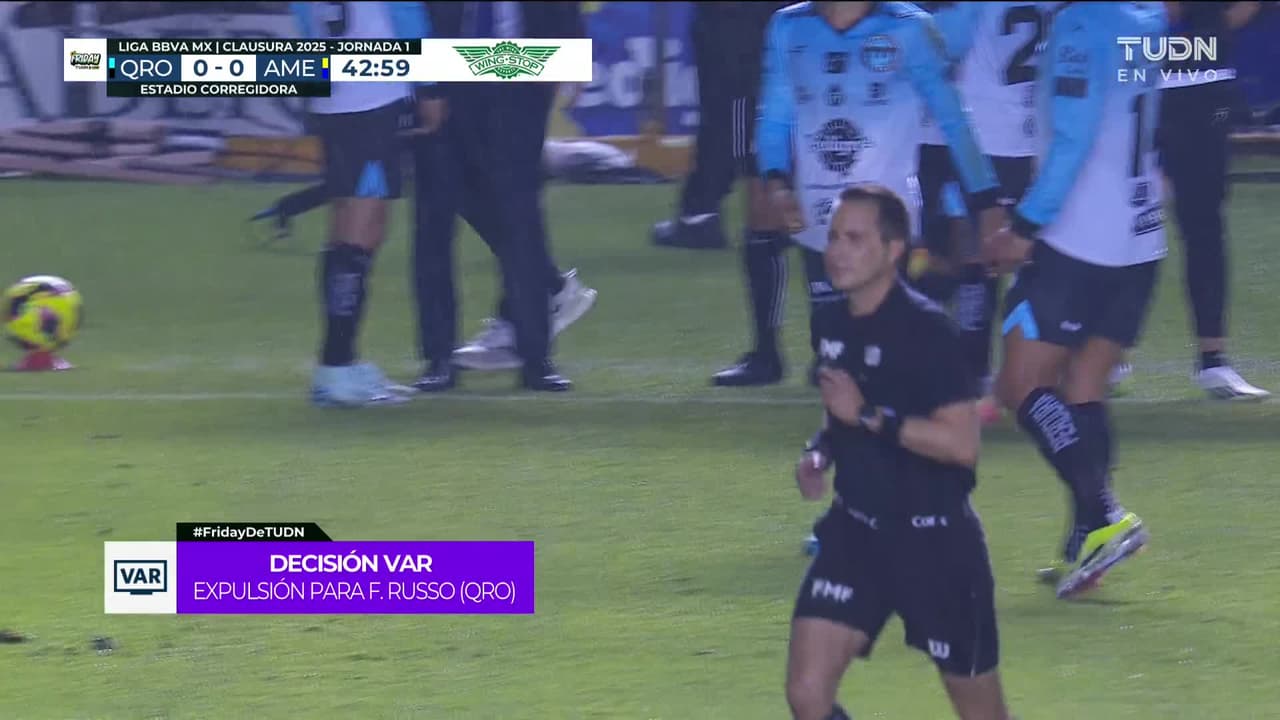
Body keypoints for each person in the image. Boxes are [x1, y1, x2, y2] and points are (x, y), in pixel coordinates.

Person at [788, 185, 1010, 720]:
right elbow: (839, 412)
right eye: (833, 237)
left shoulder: (928, 332)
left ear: (892, 251)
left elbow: (961, 445)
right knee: (807, 693)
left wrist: (869, 416)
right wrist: (821, 451)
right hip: (856, 532)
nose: (836, 251)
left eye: (855, 239)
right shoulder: (830, 322)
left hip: (936, 544)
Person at [983, 0, 1165, 598]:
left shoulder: (1080, 28)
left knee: (1020, 386)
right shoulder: (1148, 21)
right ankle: (1089, 541)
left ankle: (1106, 513)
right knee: (1084, 388)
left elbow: (1073, 140)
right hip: (1141, 238)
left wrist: (1025, 227)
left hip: (1079, 240)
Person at [752, 1, 1007, 399]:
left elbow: (954, 121)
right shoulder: (788, 26)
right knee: (833, 351)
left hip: (887, 219)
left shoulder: (911, 28)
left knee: (882, 348)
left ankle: (920, 405)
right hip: (817, 219)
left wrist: (986, 199)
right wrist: (777, 182)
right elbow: (774, 115)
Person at [413, 1, 588, 392]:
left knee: (521, 216)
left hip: (519, 70)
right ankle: (438, 358)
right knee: (434, 219)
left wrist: (574, 50)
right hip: (442, 68)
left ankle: (536, 358)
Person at [291, 1, 439, 407]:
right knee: (362, 228)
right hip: (374, 94)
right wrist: (429, 87)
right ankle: (336, 365)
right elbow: (406, 13)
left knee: (346, 223)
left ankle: (341, 362)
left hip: (334, 92)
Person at [915, 2, 1053, 425]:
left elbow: (944, 42)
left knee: (956, 253)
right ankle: (979, 369)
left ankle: (959, 368)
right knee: (987, 256)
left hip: (970, 130)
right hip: (1024, 136)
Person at [1156, 0, 1269, 399]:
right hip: (1136, 83)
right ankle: (1104, 352)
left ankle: (1213, 361)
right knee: (1118, 226)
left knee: (1204, 228)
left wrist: (1214, 31)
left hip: (1202, 89)